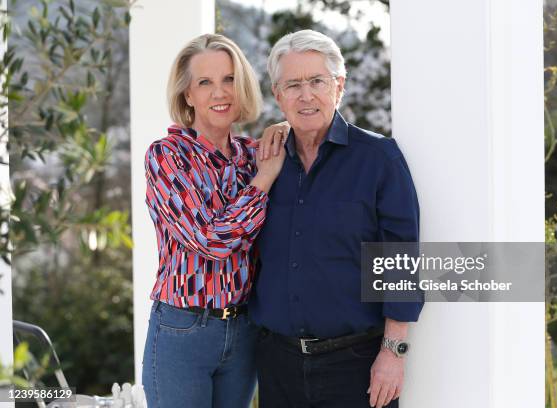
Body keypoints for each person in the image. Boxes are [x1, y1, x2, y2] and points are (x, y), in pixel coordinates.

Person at [251, 29, 423, 408]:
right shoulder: (264, 162)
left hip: (356, 366)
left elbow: (401, 260)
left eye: (317, 81)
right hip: (278, 365)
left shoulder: (379, 159)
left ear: (339, 85)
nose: (305, 95)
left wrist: (393, 354)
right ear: (278, 95)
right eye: (292, 84)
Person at [141, 34, 287, 408]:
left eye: (228, 80)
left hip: (244, 331)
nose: (220, 92)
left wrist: (286, 130)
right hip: (183, 330)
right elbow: (211, 240)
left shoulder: (254, 155)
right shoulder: (167, 156)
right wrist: (263, 181)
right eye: (205, 82)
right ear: (187, 94)